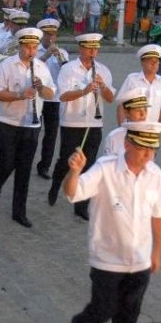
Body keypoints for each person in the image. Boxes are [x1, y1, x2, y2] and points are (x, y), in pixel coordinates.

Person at [62, 121, 161, 323]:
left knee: (127, 320)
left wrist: (156, 252)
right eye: (143, 149)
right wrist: (74, 171)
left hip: (140, 263)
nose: (148, 156)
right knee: (104, 308)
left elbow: (158, 214)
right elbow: (72, 192)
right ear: (127, 144)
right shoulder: (105, 169)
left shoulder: (155, 175)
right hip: (108, 261)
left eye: (153, 150)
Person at [0, 27, 56, 228]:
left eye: (34, 47)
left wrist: (41, 87)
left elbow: (51, 95)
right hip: (8, 123)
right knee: (5, 164)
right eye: (28, 47)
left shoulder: (41, 68)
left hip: (31, 125)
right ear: (20, 46)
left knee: (24, 170)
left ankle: (19, 212)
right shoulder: (7, 65)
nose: (32, 51)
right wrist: (19, 95)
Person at [47, 33, 115, 220]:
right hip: (72, 122)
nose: (94, 52)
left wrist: (103, 87)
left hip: (94, 124)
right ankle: (56, 183)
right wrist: (84, 90)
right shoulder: (68, 69)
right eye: (90, 48)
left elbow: (110, 99)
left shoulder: (104, 71)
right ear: (81, 49)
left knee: (89, 164)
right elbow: (62, 96)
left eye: (96, 48)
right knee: (66, 160)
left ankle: (81, 205)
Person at [35, 18, 69, 180]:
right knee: (33, 133)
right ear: (41, 35)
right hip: (37, 97)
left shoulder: (63, 53)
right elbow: (32, 67)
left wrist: (62, 62)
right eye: (47, 34)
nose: (50, 37)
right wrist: (47, 55)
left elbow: (68, 74)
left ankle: (44, 166)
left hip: (54, 99)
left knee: (51, 135)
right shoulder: (35, 51)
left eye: (53, 34)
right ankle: (26, 160)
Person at [116, 45, 161, 125]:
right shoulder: (132, 80)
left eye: (156, 61)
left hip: (152, 130)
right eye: (150, 61)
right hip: (134, 128)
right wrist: (122, 128)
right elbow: (121, 106)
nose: (154, 64)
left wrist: (159, 129)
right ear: (142, 63)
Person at [104, 88, 150, 156]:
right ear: (127, 113)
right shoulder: (114, 137)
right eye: (138, 110)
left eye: (145, 110)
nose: (142, 114)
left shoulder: (150, 136)